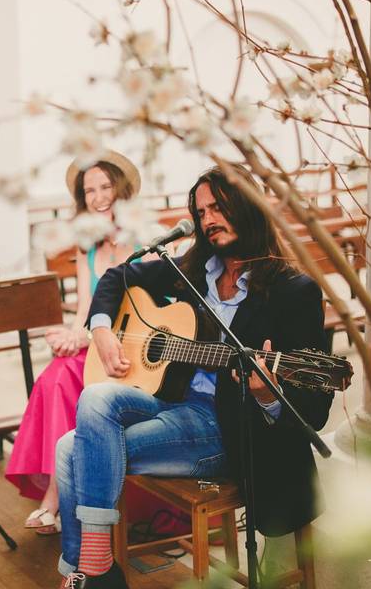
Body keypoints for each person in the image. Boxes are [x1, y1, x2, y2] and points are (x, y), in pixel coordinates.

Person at [54, 166, 333, 588]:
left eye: (218, 207)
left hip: (227, 429)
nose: (208, 220)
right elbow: (117, 275)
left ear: (249, 207)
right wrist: (102, 329)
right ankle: (94, 570)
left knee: (72, 450)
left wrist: (266, 396)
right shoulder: (194, 268)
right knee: (94, 399)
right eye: (201, 212)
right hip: (174, 401)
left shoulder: (294, 291)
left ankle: (88, 574)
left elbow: (315, 409)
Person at [5, 152, 140, 536]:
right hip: (94, 338)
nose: (98, 197)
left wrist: (84, 335)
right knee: (54, 378)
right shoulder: (89, 246)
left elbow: (134, 308)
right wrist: (71, 334)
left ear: (122, 189)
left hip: (127, 344)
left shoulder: (140, 240)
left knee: (63, 380)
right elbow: (86, 305)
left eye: (106, 187)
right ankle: (60, 491)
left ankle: (57, 498)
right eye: (90, 191)